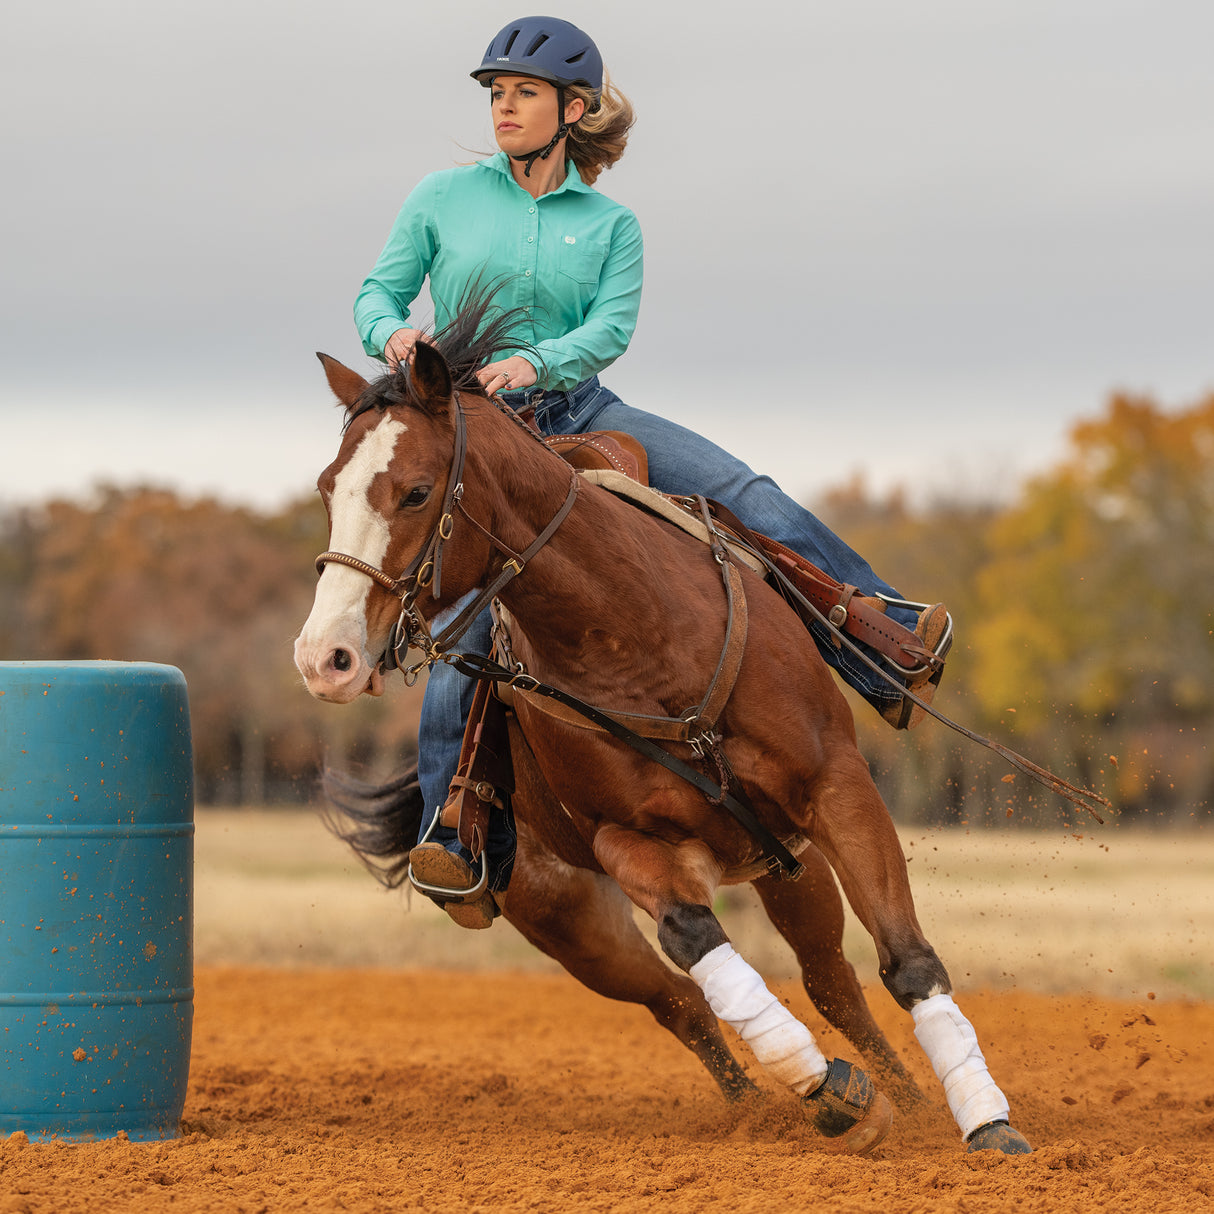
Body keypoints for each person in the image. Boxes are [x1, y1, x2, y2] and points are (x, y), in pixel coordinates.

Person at [353, 16, 951, 928]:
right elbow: (376, 293)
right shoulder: (441, 197)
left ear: (573, 109)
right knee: (469, 626)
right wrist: (392, 333)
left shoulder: (612, 224)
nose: (503, 108)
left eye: (522, 93)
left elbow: (609, 331)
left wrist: (541, 364)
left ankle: (879, 635)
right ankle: (457, 826)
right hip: (473, 439)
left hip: (580, 411)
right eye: (495, 94)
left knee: (745, 493)